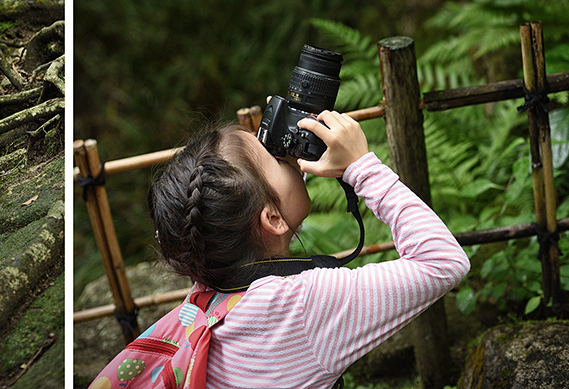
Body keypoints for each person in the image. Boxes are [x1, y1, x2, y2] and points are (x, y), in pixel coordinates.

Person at [130, 110, 470, 389]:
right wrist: (361, 166)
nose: (286, 158)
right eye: (276, 159)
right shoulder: (301, 305)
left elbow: (268, 208)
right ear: (272, 218)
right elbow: (443, 261)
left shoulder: (210, 290)